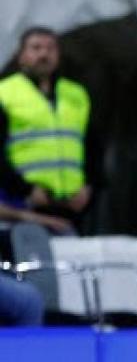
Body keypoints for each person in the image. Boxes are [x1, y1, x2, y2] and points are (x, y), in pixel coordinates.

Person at [0, 27, 98, 226]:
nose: (44, 54)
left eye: (50, 48)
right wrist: (25, 190)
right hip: (22, 204)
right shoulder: (5, 93)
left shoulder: (76, 94)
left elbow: (93, 145)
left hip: (71, 206)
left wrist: (89, 186)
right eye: (36, 48)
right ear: (21, 56)